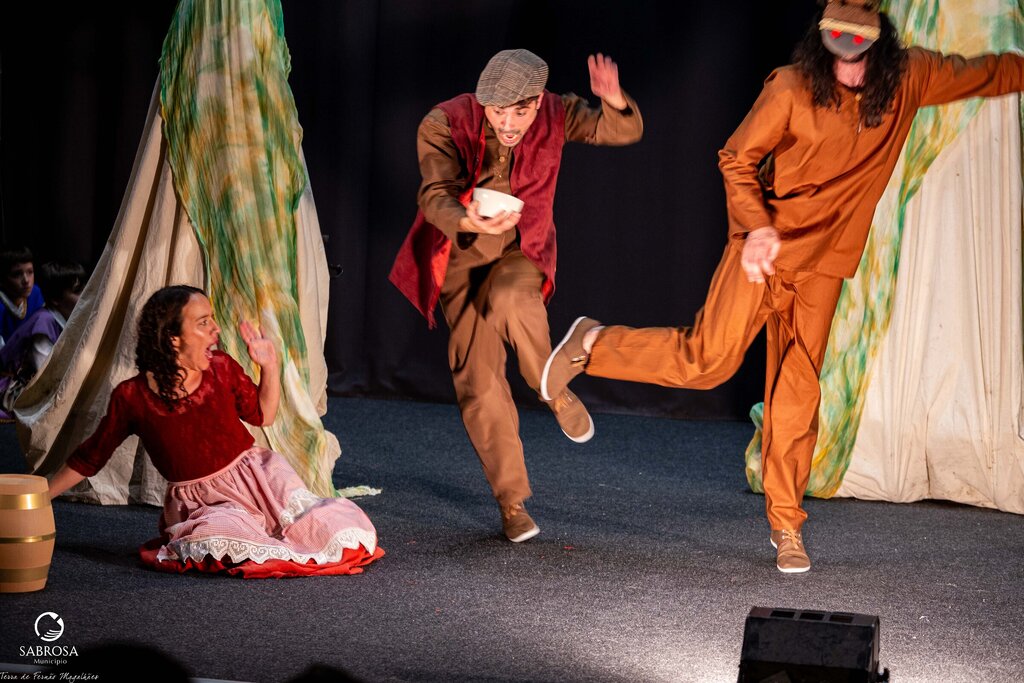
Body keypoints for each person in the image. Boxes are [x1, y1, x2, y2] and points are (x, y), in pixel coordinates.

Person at [542, 0, 1024, 572]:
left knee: (798, 392)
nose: (847, 69)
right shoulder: (792, 88)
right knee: (707, 362)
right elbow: (735, 157)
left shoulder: (911, 77)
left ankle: (787, 524)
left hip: (824, 266)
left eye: (860, 57)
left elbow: (986, 73)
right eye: (837, 55)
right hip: (763, 252)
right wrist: (756, 227)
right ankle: (592, 342)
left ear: (883, 52)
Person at [389, 49, 643, 542]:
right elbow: (434, 193)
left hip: (522, 251)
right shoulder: (445, 120)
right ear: (482, 100)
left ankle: (553, 389)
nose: (507, 124)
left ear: (538, 102)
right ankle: (511, 501)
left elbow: (621, 130)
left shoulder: (558, 113)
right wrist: (466, 218)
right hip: (462, 257)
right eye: (497, 111)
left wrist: (613, 100)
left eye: (520, 112)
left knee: (511, 300)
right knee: (478, 379)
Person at [46, 285, 383, 577]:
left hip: (260, 479)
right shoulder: (133, 396)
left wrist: (270, 367)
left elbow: (262, 415)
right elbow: (91, 458)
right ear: (173, 338)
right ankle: (249, 535)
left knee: (334, 528)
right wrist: (40, 496)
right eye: (203, 322)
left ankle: (285, 532)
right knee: (223, 535)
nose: (215, 329)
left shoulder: (221, 368)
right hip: (204, 502)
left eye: (212, 320)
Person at [0, 261, 85, 418]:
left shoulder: (64, 320)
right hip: (15, 390)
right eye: (77, 292)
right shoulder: (43, 322)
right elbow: (46, 376)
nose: (85, 297)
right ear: (56, 299)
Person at [0, 245, 44, 343]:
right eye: (17, 274)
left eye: (30, 272)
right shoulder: (1, 308)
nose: (26, 280)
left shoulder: (35, 293)